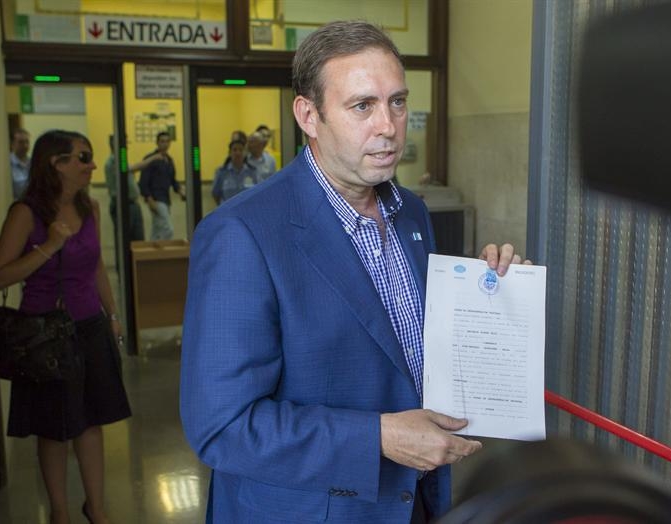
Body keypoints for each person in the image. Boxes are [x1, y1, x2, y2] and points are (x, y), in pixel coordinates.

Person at [179, 21, 524, 523]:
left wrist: (494, 298)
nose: (388, 126)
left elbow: (407, 353)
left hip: (415, 501)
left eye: (397, 102)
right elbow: (223, 427)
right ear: (309, 115)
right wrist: (379, 437)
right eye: (362, 106)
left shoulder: (411, 212)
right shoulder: (242, 234)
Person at [0, 130, 131, 524]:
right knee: (53, 429)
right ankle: (59, 512)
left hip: (88, 327)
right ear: (56, 163)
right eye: (83, 157)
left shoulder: (90, 208)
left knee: (91, 422)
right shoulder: (26, 213)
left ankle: (96, 509)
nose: (91, 165)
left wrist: (112, 314)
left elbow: (96, 266)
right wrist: (49, 246)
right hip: (44, 336)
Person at [104, 135, 162, 268]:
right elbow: (132, 168)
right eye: (124, 142)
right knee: (125, 241)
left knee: (137, 240)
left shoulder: (120, 159)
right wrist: (153, 158)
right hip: (123, 205)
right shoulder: (113, 161)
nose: (126, 146)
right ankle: (126, 271)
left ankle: (136, 270)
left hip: (132, 204)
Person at [138, 131, 185, 240]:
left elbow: (173, 180)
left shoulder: (169, 160)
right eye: (162, 141)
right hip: (156, 200)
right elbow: (143, 182)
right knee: (167, 229)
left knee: (157, 230)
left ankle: (152, 249)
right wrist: (149, 199)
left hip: (166, 200)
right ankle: (162, 249)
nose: (165, 144)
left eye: (167, 141)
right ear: (157, 143)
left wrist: (180, 191)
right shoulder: (150, 159)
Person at [211, 139, 255, 204]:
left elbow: (255, 193)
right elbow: (215, 194)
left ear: (245, 153)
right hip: (228, 210)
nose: (238, 153)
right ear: (229, 153)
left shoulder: (252, 172)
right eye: (234, 150)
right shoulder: (221, 172)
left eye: (241, 150)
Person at [10, 128, 31, 200]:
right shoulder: (8, 165)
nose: (25, 145)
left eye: (27, 142)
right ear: (12, 144)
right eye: (21, 142)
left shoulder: (33, 162)